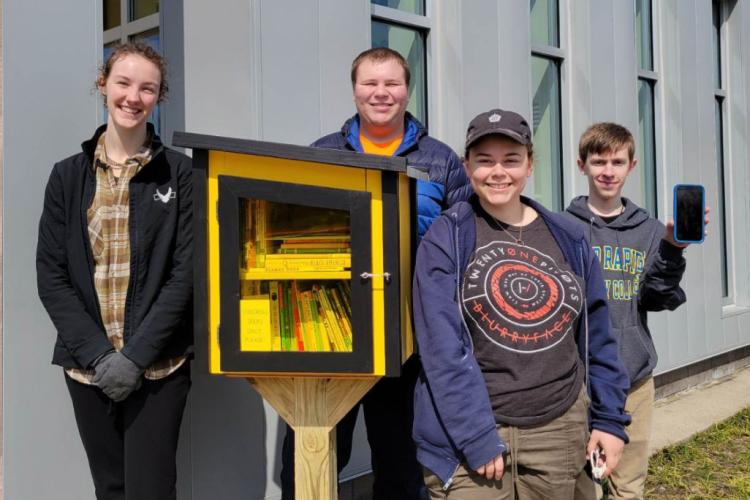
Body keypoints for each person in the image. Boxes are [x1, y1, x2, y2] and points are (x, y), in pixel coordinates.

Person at [280, 47, 472, 500]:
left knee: (403, 465)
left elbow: (466, 247)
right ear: (354, 91)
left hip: (409, 341)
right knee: (310, 461)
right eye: (370, 83)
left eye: (391, 83)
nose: (381, 93)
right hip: (331, 337)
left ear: (407, 90)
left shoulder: (441, 161)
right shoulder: (323, 153)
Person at [412, 109, 632, 499]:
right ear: (466, 167)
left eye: (511, 159)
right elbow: (441, 347)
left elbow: (599, 337)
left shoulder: (568, 237)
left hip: (560, 429)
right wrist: (476, 434)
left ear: (530, 164)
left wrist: (610, 421)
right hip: (471, 434)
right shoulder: (448, 237)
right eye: (484, 160)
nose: (498, 172)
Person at [36, 42, 193, 500]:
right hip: (89, 368)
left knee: (152, 490)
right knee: (111, 489)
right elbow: (51, 274)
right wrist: (102, 358)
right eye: (123, 83)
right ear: (103, 84)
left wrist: (136, 357)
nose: (133, 97)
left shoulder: (180, 175)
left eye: (148, 88)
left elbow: (184, 274)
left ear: (158, 97)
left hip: (159, 366)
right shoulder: (67, 176)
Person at [565, 122, 709, 499]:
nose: (608, 171)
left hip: (634, 379)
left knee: (627, 487)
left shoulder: (649, 231)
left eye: (617, 161)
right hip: (576, 380)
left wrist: (672, 249)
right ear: (582, 165)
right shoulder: (562, 227)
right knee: (581, 487)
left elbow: (657, 297)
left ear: (632, 165)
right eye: (599, 162)